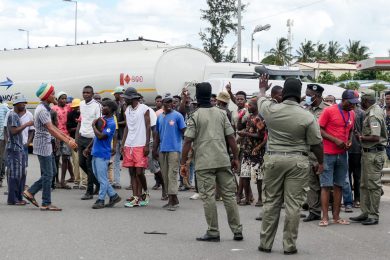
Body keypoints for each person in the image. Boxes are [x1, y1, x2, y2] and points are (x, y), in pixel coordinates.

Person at [257, 76, 323, 255]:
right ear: (300, 94)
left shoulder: (271, 109)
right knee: (293, 205)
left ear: (284, 93)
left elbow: (260, 99)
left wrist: (263, 88)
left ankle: (265, 243)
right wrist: (321, 163)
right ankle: (289, 245)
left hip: (274, 159)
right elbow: (316, 144)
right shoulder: (307, 115)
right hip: (298, 161)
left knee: (271, 202)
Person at [181, 82, 243, 242]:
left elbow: (188, 141)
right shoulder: (222, 113)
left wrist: (183, 163)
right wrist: (235, 157)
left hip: (204, 162)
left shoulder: (195, 115)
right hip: (222, 160)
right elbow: (231, 138)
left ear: (197, 97)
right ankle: (237, 231)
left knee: (208, 197)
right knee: (229, 196)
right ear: (210, 96)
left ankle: (213, 231)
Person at [23, 83, 77, 211]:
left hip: (45, 145)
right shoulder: (42, 110)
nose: (54, 96)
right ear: (46, 96)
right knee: (48, 174)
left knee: (51, 172)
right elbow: (51, 129)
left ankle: (31, 192)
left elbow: (54, 127)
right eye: (52, 94)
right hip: (43, 146)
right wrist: (67, 141)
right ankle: (45, 202)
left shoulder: (45, 108)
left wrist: (68, 137)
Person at [318, 89, 358, 227]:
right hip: (328, 153)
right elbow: (319, 129)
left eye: (355, 103)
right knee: (326, 185)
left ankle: (336, 216)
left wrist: (349, 140)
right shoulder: (329, 111)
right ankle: (324, 217)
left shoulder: (352, 113)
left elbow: (351, 129)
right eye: (351, 103)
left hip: (342, 154)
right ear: (344, 100)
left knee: (339, 185)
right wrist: (335, 140)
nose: (353, 106)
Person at [350, 93, 387, 225]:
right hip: (368, 153)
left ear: (365, 101)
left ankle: (373, 215)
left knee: (373, 186)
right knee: (364, 185)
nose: (360, 104)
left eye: (361, 102)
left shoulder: (373, 115)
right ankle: (365, 212)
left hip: (374, 153)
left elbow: (375, 137)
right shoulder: (372, 111)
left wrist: (360, 137)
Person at [83, 100, 122, 209]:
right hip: (96, 152)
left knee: (102, 178)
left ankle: (100, 200)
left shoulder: (111, 123)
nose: (102, 108)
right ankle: (114, 196)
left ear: (111, 109)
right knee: (100, 178)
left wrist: (93, 126)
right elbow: (96, 137)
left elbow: (101, 136)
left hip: (103, 154)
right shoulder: (102, 120)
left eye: (105, 106)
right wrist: (88, 147)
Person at [153, 94, 186, 211]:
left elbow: (184, 131)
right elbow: (157, 134)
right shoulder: (160, 117)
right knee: (165, 175)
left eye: (170, 102)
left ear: (173, 104)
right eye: (165, 102)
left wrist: (187, 147)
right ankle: (173, 199)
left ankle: (173, 201)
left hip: (174, 150)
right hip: (163, 149)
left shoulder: (178, 116)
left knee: (172, 174)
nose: (167, 104)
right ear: (162, 104)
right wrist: (154, 149)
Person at [121, 87, 151, 207]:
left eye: (126, 99)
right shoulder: (127, 109)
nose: (124, 101)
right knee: (132, 172)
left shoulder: (144, 109)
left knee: (139, 172)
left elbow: (148, 127)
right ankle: (136, 197)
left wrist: (147, 145)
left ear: (132, 98)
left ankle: (145, 192)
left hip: (140, 144)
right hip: (129, 145)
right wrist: (123, 144)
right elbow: (127, 127)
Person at [302, 84, 328, 222]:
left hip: (322, 152)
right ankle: (314, 211)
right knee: (311, 183)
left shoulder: (327, 110)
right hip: (307, 152)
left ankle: (326, 211)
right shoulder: (305, 109)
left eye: (308, 94)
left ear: (316, 96)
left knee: (324, 183)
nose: (305, 96)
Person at [6, 95, 33, 205]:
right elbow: (13, 131)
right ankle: (13, 199)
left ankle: (18, 197)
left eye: (24, 103)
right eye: (22, 103)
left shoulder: (15, 115)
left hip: (19, 148)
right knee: (15, 175)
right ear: (16, 104)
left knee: (21, 174)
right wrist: (26, 124)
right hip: (14, 149)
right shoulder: (12, 115)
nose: (24, 104)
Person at [237, 99, 264, 206]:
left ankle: (260, 199)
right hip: (247, 150)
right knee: (244, 175)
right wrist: (239, 118)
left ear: (256, 106)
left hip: (256, 151)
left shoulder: (258, 119)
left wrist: (246, 134)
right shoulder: (249, 117)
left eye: (251, 105)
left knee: (258, 176)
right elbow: (240, 127)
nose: (248, 106)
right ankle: (247, 198)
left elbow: (261, 135)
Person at [76, 86, 102, 200]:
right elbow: (81, 121)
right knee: (81, 163)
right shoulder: (81, 104)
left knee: (89, 165)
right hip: (82, 137)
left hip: (91, 139)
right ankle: (99, 183)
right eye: (84, 92)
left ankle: (89, 192)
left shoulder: (97, 106)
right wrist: (77, 138)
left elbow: (99, 125)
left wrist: (94, 140)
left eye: (88, 93)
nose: (86, 94)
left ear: (92, 94)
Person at [52, 91, 74, 189]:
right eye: (62, 98)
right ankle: (56, 180)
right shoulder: (53, 109)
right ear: (58, 99)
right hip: (56, 135)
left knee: (66, 158)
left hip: (66, 135)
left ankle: (62, 181)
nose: (64, 100)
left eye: (65, 98)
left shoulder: (68, 108)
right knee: (56, 158)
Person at [348, 105, 364, 208]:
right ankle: (348, 200)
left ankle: (357, 198)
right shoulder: (343, 112)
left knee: (357, 176)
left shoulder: (361, 113)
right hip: (345, 148)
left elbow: (364, 129)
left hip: (357, 148)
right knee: (346, 176)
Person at [112, 86, 126, 189]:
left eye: (116, 94)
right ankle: (116, 181)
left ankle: (132, 182)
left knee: (129, 160)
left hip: (125, 136)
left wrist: (116, 123)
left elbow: (127, 121)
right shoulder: (114, 105)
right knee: (116, 159)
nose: (115, 96)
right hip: (116, 137)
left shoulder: (126, 105)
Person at [0, 96, 10, 187]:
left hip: (2, 137)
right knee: (1, 157)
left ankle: (1, 176)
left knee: (1, 158)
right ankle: (1, 176)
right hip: (2, 137)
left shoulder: (4, 108)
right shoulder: (5, 108)